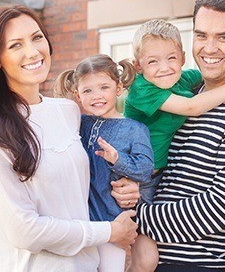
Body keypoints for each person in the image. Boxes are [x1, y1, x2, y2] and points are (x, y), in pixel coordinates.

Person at [0, 5, 139, 272]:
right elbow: (24, 230)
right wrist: (108, 232)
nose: (33, 52)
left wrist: (125, 185)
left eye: (37, 37)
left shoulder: (68, 111)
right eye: (15, 45)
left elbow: (83, 185)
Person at [134, 0, 225, 272]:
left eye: (223, 37)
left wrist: (135, 216)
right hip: (152, 260)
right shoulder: (186, 93)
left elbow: (222, 206)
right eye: (201, 35)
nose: (209, 48)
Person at [54, 54, 154, 271]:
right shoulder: (78, 124)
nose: (96, 96)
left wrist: (118, 159)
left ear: (118, 89)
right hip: (80, 224)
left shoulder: (134, 129)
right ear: (78, 95)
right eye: (88, 90)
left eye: (104, 87)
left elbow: (146, 169)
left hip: (112, 224)